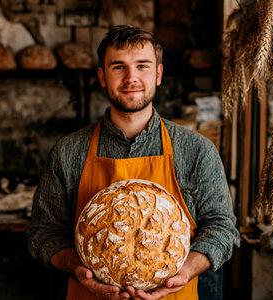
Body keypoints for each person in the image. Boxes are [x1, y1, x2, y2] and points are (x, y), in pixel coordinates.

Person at [27, 24, 240, 300]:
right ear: (102, 77)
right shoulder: (68, 152)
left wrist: (184, 271)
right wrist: (81, 269)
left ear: (158, 74)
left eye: (142, 66)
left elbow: (222, 227)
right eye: (118, 67)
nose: (131, 78)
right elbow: (43, 233)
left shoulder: (197, 150)